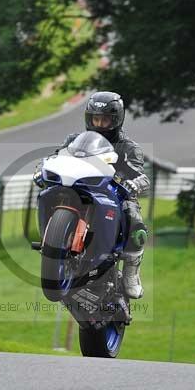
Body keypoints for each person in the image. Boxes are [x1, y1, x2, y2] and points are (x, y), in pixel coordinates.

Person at [35, 91, 149, 298]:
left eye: (105, 120)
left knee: (136, 223)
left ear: (117, 120)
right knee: (49, 193)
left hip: (115, 193)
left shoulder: (130, 148)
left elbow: (142, 175)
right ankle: (55, 244)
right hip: (80, 185)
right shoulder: (75, 139)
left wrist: (134, 183)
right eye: (96, 119)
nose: (99, 124)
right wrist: (42, 169)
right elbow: (56, 157)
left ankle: (131, 273)